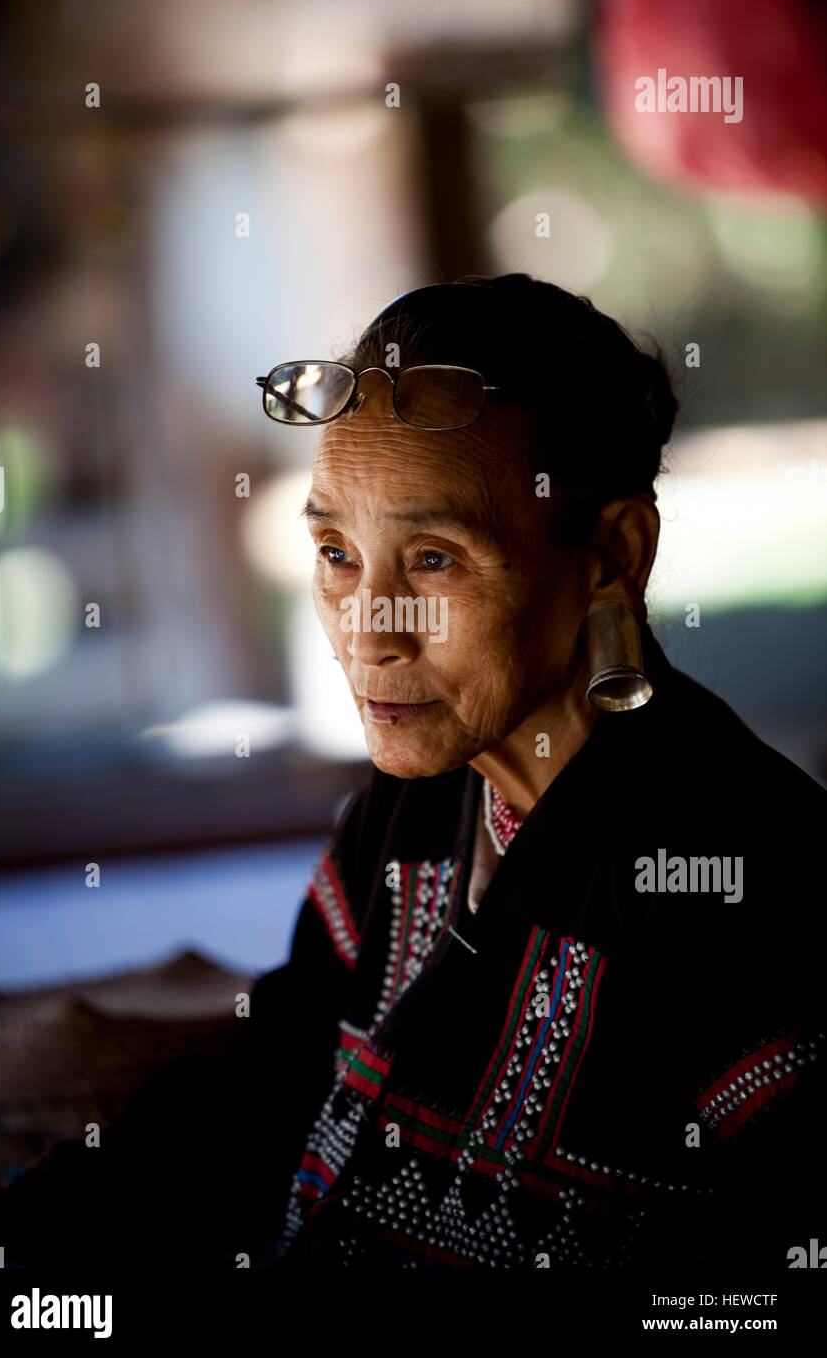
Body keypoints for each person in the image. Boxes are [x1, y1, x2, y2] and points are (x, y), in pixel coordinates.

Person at [249, 274, 826, 1272]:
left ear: (610, 553)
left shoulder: (748, 890)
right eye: (336, 551)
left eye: (431, 559)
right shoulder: (404, 810)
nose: (366, 633)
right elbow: (261, 1089)